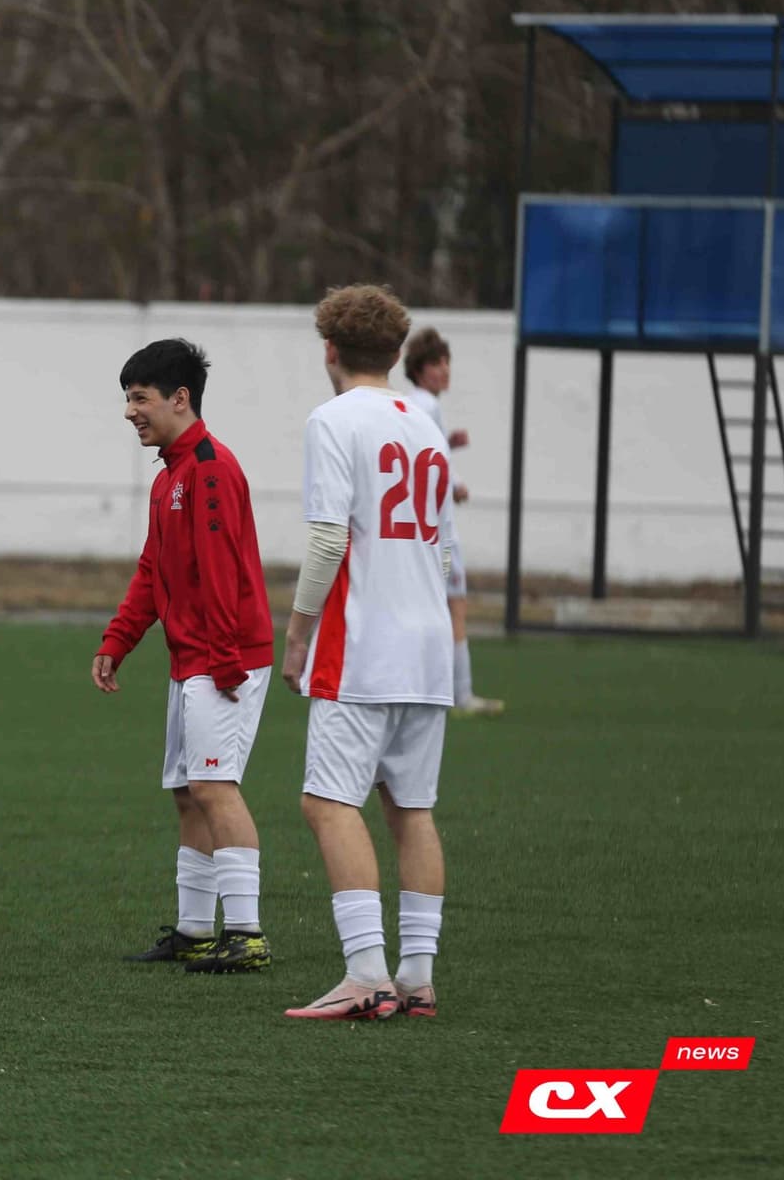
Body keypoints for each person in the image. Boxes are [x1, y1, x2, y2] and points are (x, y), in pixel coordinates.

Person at [281, 285, 454, 1022]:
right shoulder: (426, 422)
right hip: (429, 645)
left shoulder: (331, 420)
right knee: (411, 809)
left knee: (326, 802)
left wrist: (296, 633)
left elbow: (328, 539)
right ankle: (416, 976)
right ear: (395, 351)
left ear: (329, 349)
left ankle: (366, 976)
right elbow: (443, 552)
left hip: (363, 643)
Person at [95, 339, 276, 974]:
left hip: (221, 658)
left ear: (180, 399)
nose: (129, 412)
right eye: (127, 399)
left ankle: (248, 935)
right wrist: (119, 639)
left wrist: (225, 662)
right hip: (192, 659)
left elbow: (223, 572)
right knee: (186, 793)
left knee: (212, 785)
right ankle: (198, 930)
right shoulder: (171, 474)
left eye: (139, 398)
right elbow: (154, 569)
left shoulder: (210, 468)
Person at [402, 328, 503, 716]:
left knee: (429, 603)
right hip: (441, 533)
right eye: (436, 363)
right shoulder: (426, 405)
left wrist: (449, 442)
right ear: (419, 369)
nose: (445, 370)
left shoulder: (413, 404)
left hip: (419, 531)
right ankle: (460, 693)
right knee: (453, 604)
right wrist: (457, 485)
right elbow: (433, 461)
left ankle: (424, 687)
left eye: (447, 363)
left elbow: (425, 450)